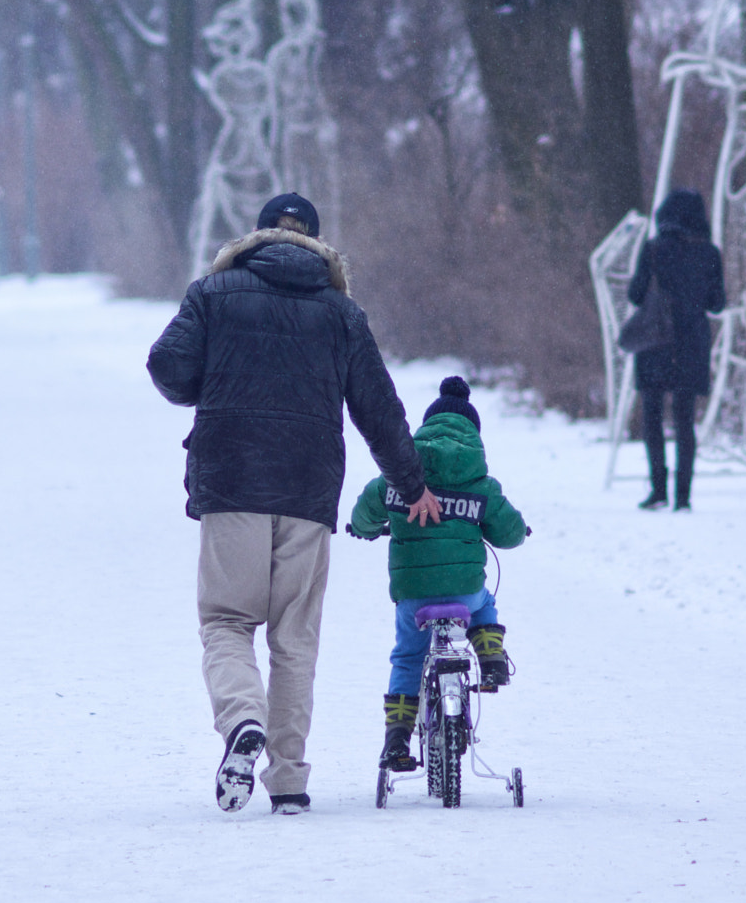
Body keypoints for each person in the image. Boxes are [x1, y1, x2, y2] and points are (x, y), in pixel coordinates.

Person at [147, 192, 439, 816]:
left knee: (227, 622)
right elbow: (379, 412)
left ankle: (242, 722)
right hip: (308, 490)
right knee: (294, 639)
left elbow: (167, 365)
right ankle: (288, 781)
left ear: (255, 239)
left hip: (231, 481)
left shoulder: (212, 293)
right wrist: (411, 487)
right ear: (317, 242)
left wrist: (213, 386)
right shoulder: (341, 313)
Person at [346, 376, 527, 772]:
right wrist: (514, 530)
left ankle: (396, 740)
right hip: (465, 592)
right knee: (485, 601)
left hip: (413, 595)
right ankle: (491, 657)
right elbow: (510, 533)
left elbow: (366, 509)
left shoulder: (398, 477)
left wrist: (362, 528)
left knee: (409, 658)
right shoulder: (481, 484)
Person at [628, 188, 726, 512]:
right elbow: (717, 303)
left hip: (656, 341)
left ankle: (658, 489)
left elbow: (635, 294)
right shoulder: (710, 254)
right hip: (692, 344)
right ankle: (683, 496)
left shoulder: (654, 250)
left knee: (652, 416)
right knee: (685, 421)